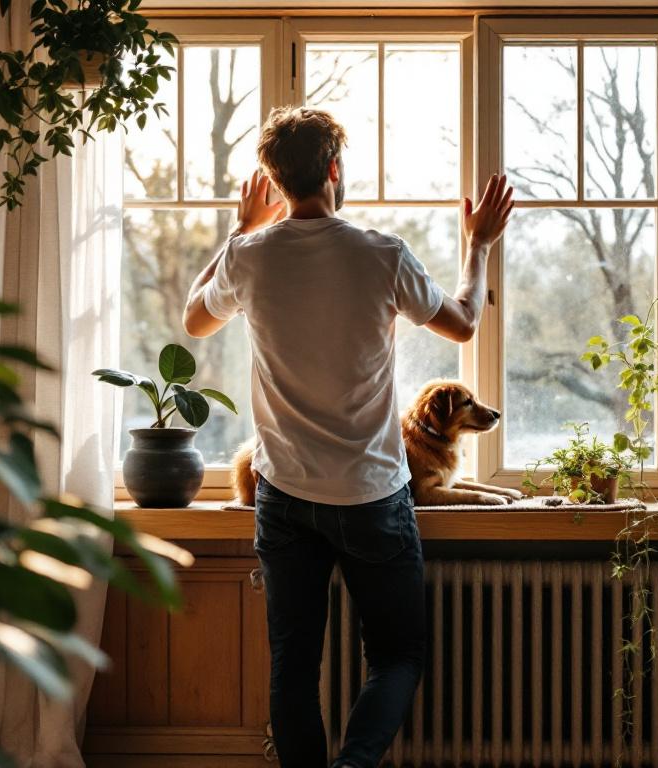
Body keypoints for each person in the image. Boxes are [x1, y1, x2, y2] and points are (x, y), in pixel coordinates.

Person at [182, 106, 514, 768]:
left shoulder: (250, 256)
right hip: (372, 496)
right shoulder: (380, 253)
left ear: (276, 181)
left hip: (284, 496)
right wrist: (478, 245)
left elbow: (194, 321)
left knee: (293, 668)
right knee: (397, 655)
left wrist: (238, 229)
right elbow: (466, 323)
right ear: (335, 170)